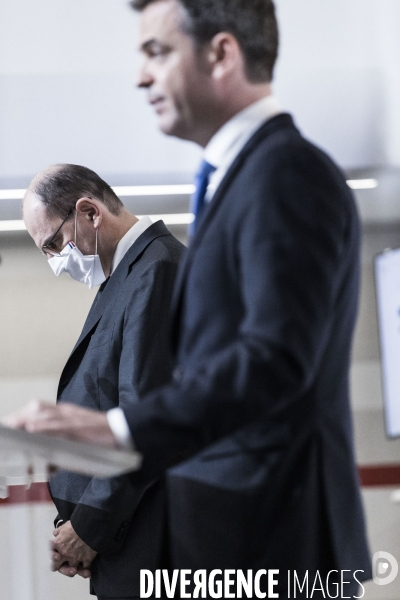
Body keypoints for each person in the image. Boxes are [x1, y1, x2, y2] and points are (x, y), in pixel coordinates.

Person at [5, 1, 372, 596]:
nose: (140, 76)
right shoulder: (234, 178)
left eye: (157, 52)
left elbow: (272, 364)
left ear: (222, 54)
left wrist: (117, 432)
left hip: (282, 546)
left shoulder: (284, 174)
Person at [21, 163, 185, 600]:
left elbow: (143, 421)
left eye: (55, 243)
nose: (57, 263)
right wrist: (73, 526)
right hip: (125, 541)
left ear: (90, 212)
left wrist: (88, 527)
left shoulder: (157, 272)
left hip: (155, 545)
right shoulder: (124, 278)